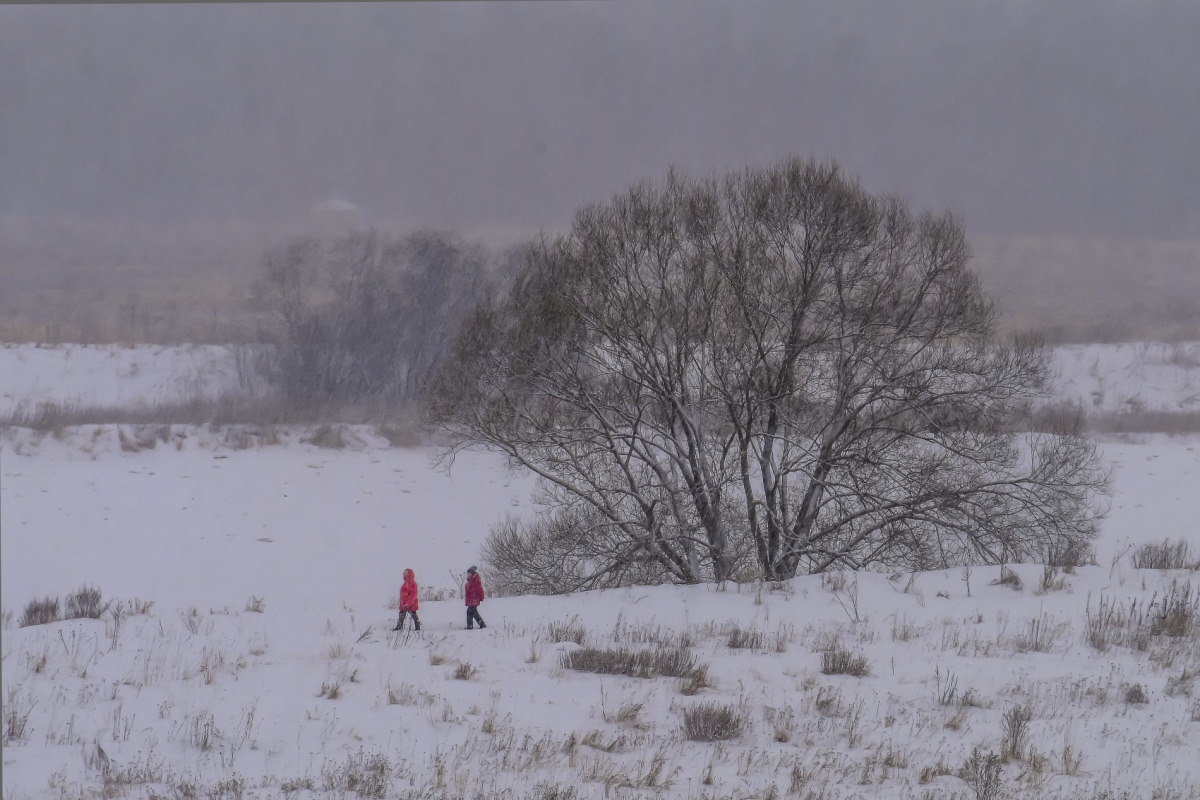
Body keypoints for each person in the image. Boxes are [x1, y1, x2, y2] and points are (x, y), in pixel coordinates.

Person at [465, 565, 487, 630]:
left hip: (474, 598)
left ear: (472, 573)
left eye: (469, 573)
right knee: (472, 612)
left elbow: (479, 589)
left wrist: (481, 596)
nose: (468, 575)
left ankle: (477, 625)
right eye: (467, 574)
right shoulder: (470, 580)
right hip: (471, 599)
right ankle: (475, 625)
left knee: (471, 612)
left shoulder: (475, 580)